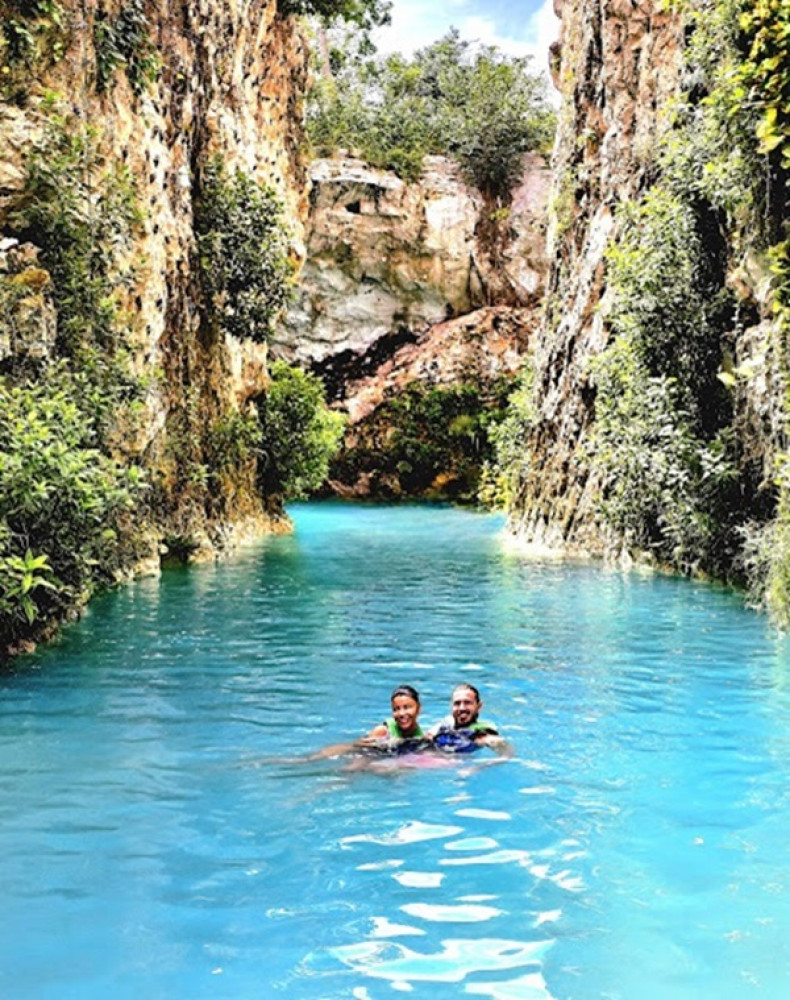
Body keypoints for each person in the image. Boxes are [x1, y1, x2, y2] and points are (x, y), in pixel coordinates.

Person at [309, 684, 430, 760]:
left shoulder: (420, 735)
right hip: (366, 755)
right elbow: (362, 751)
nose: (402, 714)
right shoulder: (383, 731)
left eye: (407, 707)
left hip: (380, 759)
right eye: (396, 709)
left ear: (419, 708)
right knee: (349, 773)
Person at [428, 682, 513, 757]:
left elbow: (507, 754)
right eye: (457, 703)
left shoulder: (482, 735)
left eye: (467, 703)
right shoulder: (444, 724)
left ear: (479, 707)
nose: (462, 708)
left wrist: (477, 767)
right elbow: (426, 739)